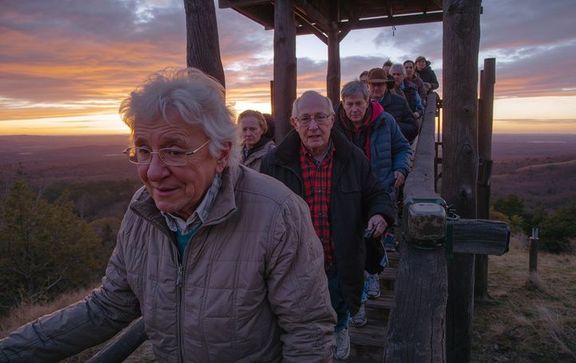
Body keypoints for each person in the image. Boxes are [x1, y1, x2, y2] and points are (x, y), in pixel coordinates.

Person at [0, 68, 336, 362]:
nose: (154, 172)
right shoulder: (142, 210)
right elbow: (109, 306)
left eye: (175, 151)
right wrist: (11, 350)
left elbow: (307, 334)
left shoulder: (277, 214)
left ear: (222, 153)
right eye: (143, 150)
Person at [260, 91, 395, 360]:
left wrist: (380, 215)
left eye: (320, 117)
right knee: (294, 322)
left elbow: (376, 194)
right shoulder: (273, 163)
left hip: (339, 259)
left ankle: (340, 334)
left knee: (339, 309)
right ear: (293, 122)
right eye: (305, 119)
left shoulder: (353, 158)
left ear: (332, 119)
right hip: (292, 265)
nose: (313, 126)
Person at [333, 80, 412, 325]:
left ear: (368, 102)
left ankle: (374, 272)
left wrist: (400, 169)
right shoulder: (334, 125)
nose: (354, 109)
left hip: (379, 188)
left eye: (358, 103)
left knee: (374, 237)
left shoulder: (385, 121)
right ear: (342, 104)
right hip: (347, 193)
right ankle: (359, 301)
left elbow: (402, 147)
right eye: (349, 104)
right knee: (353, 244)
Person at [367, 67, 419, 143]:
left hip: (393, 149)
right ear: (368, 86)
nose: (376, 88)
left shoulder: (400, 102)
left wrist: (391, 127)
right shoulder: (360, 103)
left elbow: (413, 128)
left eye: (380, 84)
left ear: (386, 85)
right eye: (373, 84)